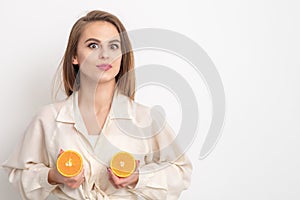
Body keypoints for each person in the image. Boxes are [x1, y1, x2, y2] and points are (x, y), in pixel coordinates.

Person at [2, 10, 192, 200]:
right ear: (74, 57)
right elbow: (17, 174)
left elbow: (181, 172)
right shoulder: (48, 118)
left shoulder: (146, 119)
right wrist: (53, 176)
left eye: (114, 46)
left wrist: (138, 178)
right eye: (93, 45)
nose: (104, 55)